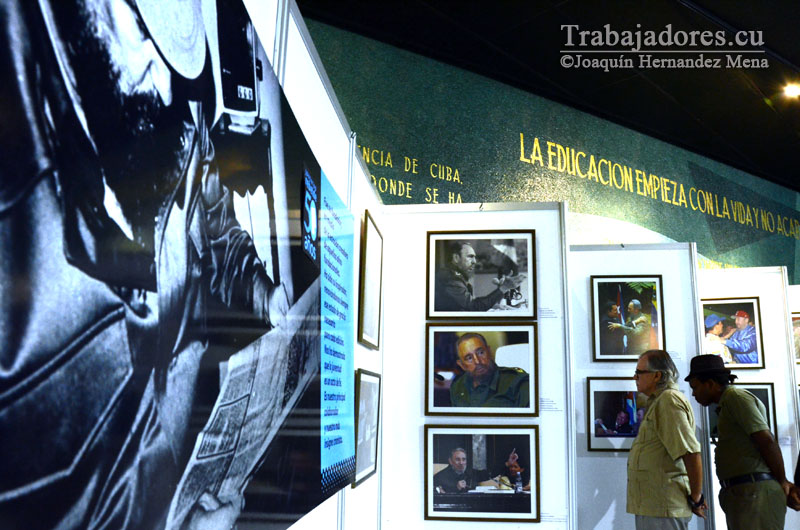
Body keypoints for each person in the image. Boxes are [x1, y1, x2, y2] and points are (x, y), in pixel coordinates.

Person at [0, 0, 289, 527]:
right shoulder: (17, 198)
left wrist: (262, 291)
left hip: (177, 475)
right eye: (142, 34)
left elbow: (216, 228)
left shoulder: (173, 103)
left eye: (174, 52)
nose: (164, 84)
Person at [685, 355, 797, 528]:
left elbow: (766, 440)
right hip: (744, 494)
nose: (693, 393)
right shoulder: (727, 403)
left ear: (711, 384)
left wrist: (783, 481)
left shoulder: (735, 397)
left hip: (754, 493)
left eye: (695, 387)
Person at [627, 350, 706, 529]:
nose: (635, 378)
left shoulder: (668, 400)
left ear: (657, 375)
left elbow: (691, 453)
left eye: (639, 373)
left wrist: (696, 498)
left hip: (663, 507)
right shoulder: (658, 401)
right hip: (654, 505)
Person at [434, 241, 524, 312]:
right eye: (470, 257)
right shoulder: (451, 278)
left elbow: (465, 305)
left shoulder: (453, 274)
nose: (475, 261)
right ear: (456, 258)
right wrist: (504, 288)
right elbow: (473, 307)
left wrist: (493, 305)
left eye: (474, 257)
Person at [449, 333, 529, 407]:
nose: (477, 361)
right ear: (462, 365)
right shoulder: (457, 386)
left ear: (489, 351)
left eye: (481, 353)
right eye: (469, 358)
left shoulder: (516, 381)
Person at [433, 447, 522, 493]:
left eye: (464, 459)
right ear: (450, 461)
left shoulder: (471, 473)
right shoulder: (440, 477)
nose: (461, 463)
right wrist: (456, 488)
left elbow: (489, 474)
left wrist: (507, 463)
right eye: (457, 459)